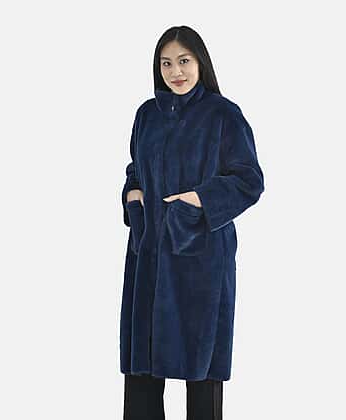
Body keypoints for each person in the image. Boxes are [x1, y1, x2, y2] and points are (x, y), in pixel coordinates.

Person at [120, 25, 265, 419]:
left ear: (200, 62)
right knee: (141, 374)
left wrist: (198, 200)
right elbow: (136, 167)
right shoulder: (147, 115)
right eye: (166, 63)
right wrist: (133, 194)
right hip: (148, 258)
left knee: (202, 376)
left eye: (184, 61)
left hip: (201, 262)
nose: (176, 71)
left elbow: (249, 179)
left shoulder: (223, 115)